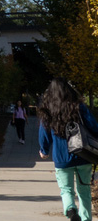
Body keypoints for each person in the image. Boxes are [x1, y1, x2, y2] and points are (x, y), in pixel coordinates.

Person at [38, 78, 97, 221]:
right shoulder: (79, 107)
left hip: (62, 157)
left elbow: (44, 134)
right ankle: (86, 218)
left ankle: (71, 210)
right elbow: (94, 127)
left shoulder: (48, 111)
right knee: (84, 190)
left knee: (66, 190)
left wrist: (44, 150)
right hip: (83, 154)